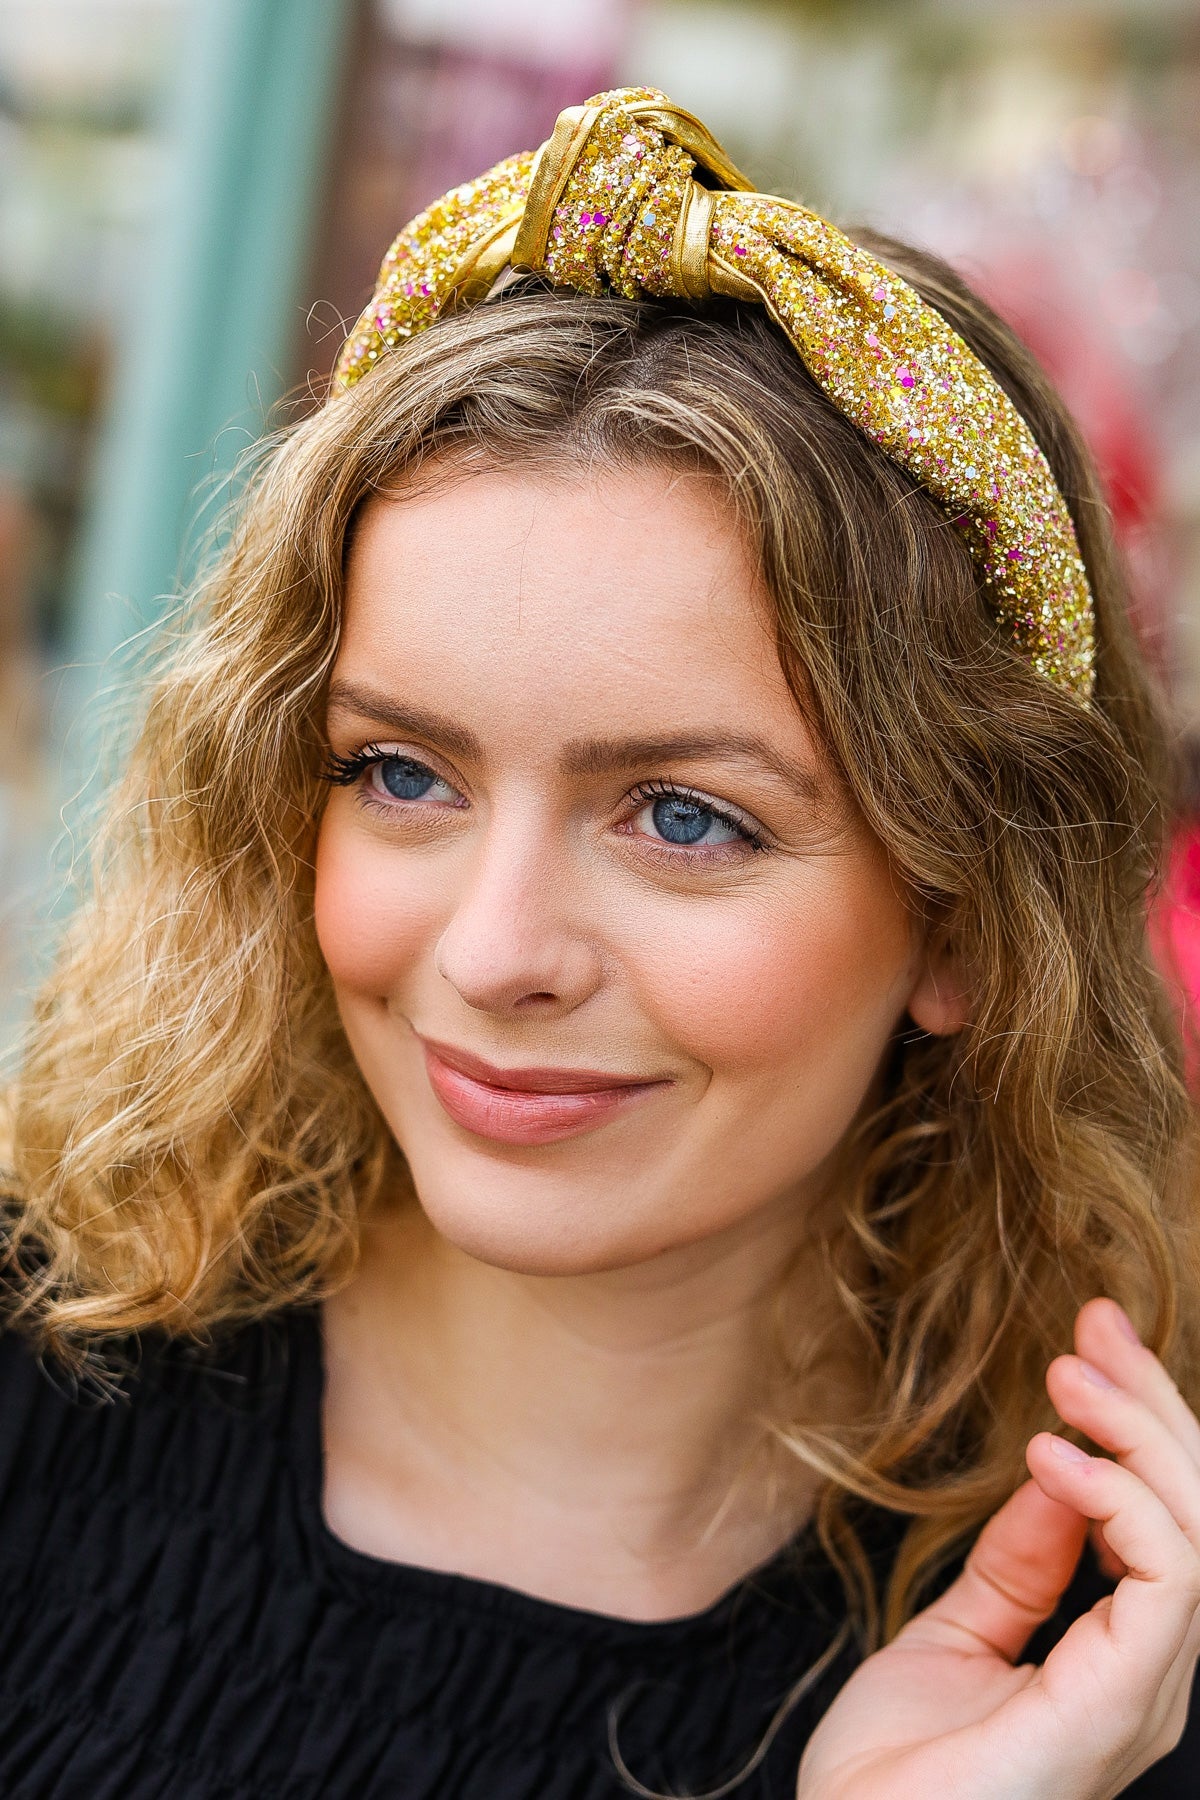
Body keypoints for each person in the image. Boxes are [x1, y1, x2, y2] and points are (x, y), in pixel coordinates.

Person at [1, 87, 1198, 1800]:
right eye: (402, 775)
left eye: (683, 818)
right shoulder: (33, 1361)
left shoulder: (1093, 1688)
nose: (496, 954)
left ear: (966, 919)